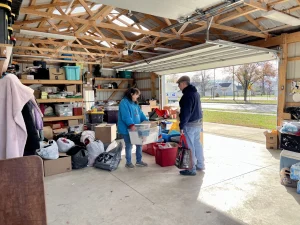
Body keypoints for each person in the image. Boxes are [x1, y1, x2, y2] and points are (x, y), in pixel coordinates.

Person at [177, 75, 204, 176]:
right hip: (198, 123)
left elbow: (186, 113)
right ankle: (200, 164)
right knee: (197, 144)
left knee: (189, 147)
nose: (179, 87)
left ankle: (191, 169)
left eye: (179, 85)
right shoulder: (195, 93)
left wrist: (182, 126)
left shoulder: (187, 95)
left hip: (190, 124)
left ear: (184, 83)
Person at [118, 88, 148, 168]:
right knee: (129, 145)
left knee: (139, 144)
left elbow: (140, 114)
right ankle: (128, 162)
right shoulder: (123, 102)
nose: (137, 96)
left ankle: (139, 161)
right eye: (136, 94)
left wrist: (147, 121)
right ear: (131, 94)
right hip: (127, 128)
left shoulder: (135, 103)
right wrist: (131, 125)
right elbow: (125, 116)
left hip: (136, 127)